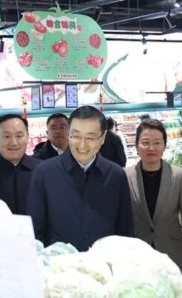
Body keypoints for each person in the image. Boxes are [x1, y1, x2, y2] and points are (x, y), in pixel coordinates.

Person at [27, 106, 134, 251]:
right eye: (75, 136)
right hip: (59, 262)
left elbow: (125, 229)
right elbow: (35, 230)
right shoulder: (44, 173)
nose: (82, 145)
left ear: (102, 138)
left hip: (104, 261)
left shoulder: (116, 175)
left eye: (90, 137)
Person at [125, 118, 182, 270]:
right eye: (145, 142)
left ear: (164, 145)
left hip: (172, 252)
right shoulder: (125, 176)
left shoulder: (178, 176)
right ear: (136, 145)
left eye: (157, 143)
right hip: (137, 255)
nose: (151, 148)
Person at [0, 114, 42, 214]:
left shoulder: (43, 171)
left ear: (27, 137)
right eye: (7, 136)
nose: (13, 142)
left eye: (19, 136)